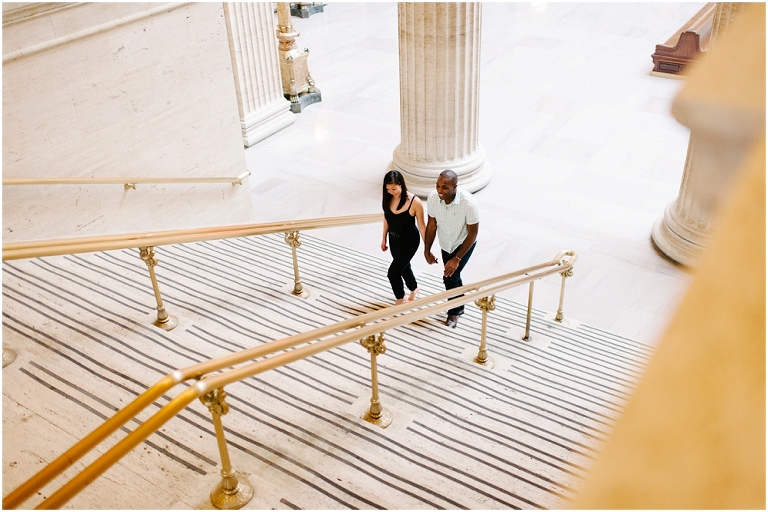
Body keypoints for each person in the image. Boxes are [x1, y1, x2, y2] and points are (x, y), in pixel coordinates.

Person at [424, 170, 479, 328]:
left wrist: (457, 259)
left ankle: (454, 312)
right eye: (438, 186)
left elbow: (473, 233)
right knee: (454, 277)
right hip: (445, 244)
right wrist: (427, 250)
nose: (440, 191)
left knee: (449, 278)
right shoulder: (433, 198)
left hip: (464, 244)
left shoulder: (468, 203)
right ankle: (460, 304)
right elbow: (432, 225)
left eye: (445, 188)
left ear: (455, 187)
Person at [381, 170, 427, 305]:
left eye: (394, 189)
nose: (391, 192)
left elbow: (422, 226)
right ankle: (414, 288)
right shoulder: (388, 198)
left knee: (393, 272)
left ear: (401, 184)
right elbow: (387, 218)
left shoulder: (415, 202)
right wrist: (383, 237)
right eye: (388, 189)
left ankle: (400, 298)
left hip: (410, 242)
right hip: (394, 240)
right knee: (404, 267)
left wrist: (427, 249)